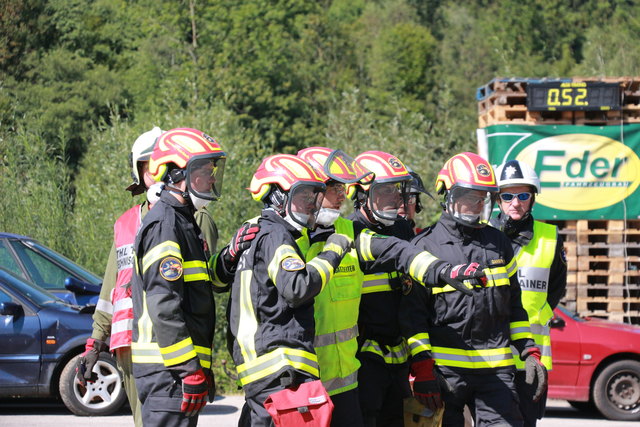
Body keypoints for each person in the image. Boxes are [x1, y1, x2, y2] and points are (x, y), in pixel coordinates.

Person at [296, 147, 479, 427]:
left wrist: (442, 271)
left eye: (399, 191)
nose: (397, 200)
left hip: (393, 360)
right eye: (386, 191)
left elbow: (412, 299)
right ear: (363, 194)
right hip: (355, 361)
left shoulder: (398, 231)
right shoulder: (337, 233)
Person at [400, 152, 548, 426]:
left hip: (496, 374)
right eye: (469, 197)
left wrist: (529, 351)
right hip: (445, 375)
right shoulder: (424, 247)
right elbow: (413, 317)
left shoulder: (499, 244)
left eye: (482, 198)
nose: (476, 205)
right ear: (449, 196)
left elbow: (514, 307)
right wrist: (422, 369)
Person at [226, 153, 357, 427]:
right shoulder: (277, 235)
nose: (311, 205)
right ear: (277, 197)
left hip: (263, 371)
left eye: (314, 196)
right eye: (304, 197)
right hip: (280, 370)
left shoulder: (257, 232)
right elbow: (297, 287)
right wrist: (333, 251)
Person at [130, 127, 227, 426]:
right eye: (203, 172)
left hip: (171, 370)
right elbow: (164, 304)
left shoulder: (182, 221)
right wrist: (188, 367)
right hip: (168, 371)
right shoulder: (166, 223)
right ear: (176, 176)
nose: (211, 179)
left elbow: (194, 285)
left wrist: (230, 257)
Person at [491, 159, 567, 427]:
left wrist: (536, 315)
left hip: (531, 358)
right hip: (489, 357)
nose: (515, 202)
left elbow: (556, 288)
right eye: (508, 196)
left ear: (533, 198)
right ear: (497, 200)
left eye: (523, 195)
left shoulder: (550, 237)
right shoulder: (483, 236)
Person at [399, 167, 433, 234]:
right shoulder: (375, 241)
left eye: (409, 198)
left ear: (416, 204)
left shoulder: (427, 240)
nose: (403, 205)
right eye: (398, 198)